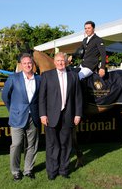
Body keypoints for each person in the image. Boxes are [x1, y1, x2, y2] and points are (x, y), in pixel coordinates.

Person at [39, 52, 83, 180]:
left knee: (66, 145)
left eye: (62, 60)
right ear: (54, 62)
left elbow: (78, 97)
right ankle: (52, 172)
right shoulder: (47, 75)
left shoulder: (73, 76)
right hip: (51, 116)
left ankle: (64, 170)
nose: (60, 63)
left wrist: (78, 114)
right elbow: (42, 97)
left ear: (66, 61)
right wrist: (43, 114)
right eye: (58, 60)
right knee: (52, 145)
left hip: (68, 115)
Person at [2, 53, 41, 181]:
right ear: (21, 65)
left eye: (29, 63)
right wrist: (12, 110)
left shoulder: (39, 79)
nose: (27, 65)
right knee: (17, 144)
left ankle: (28, 169)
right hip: (17, 117)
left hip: (33, 117)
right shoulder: (13, 78)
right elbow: (5, 96)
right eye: (24, 63)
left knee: (32, 145)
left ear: (33, 64)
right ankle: (15, 171)